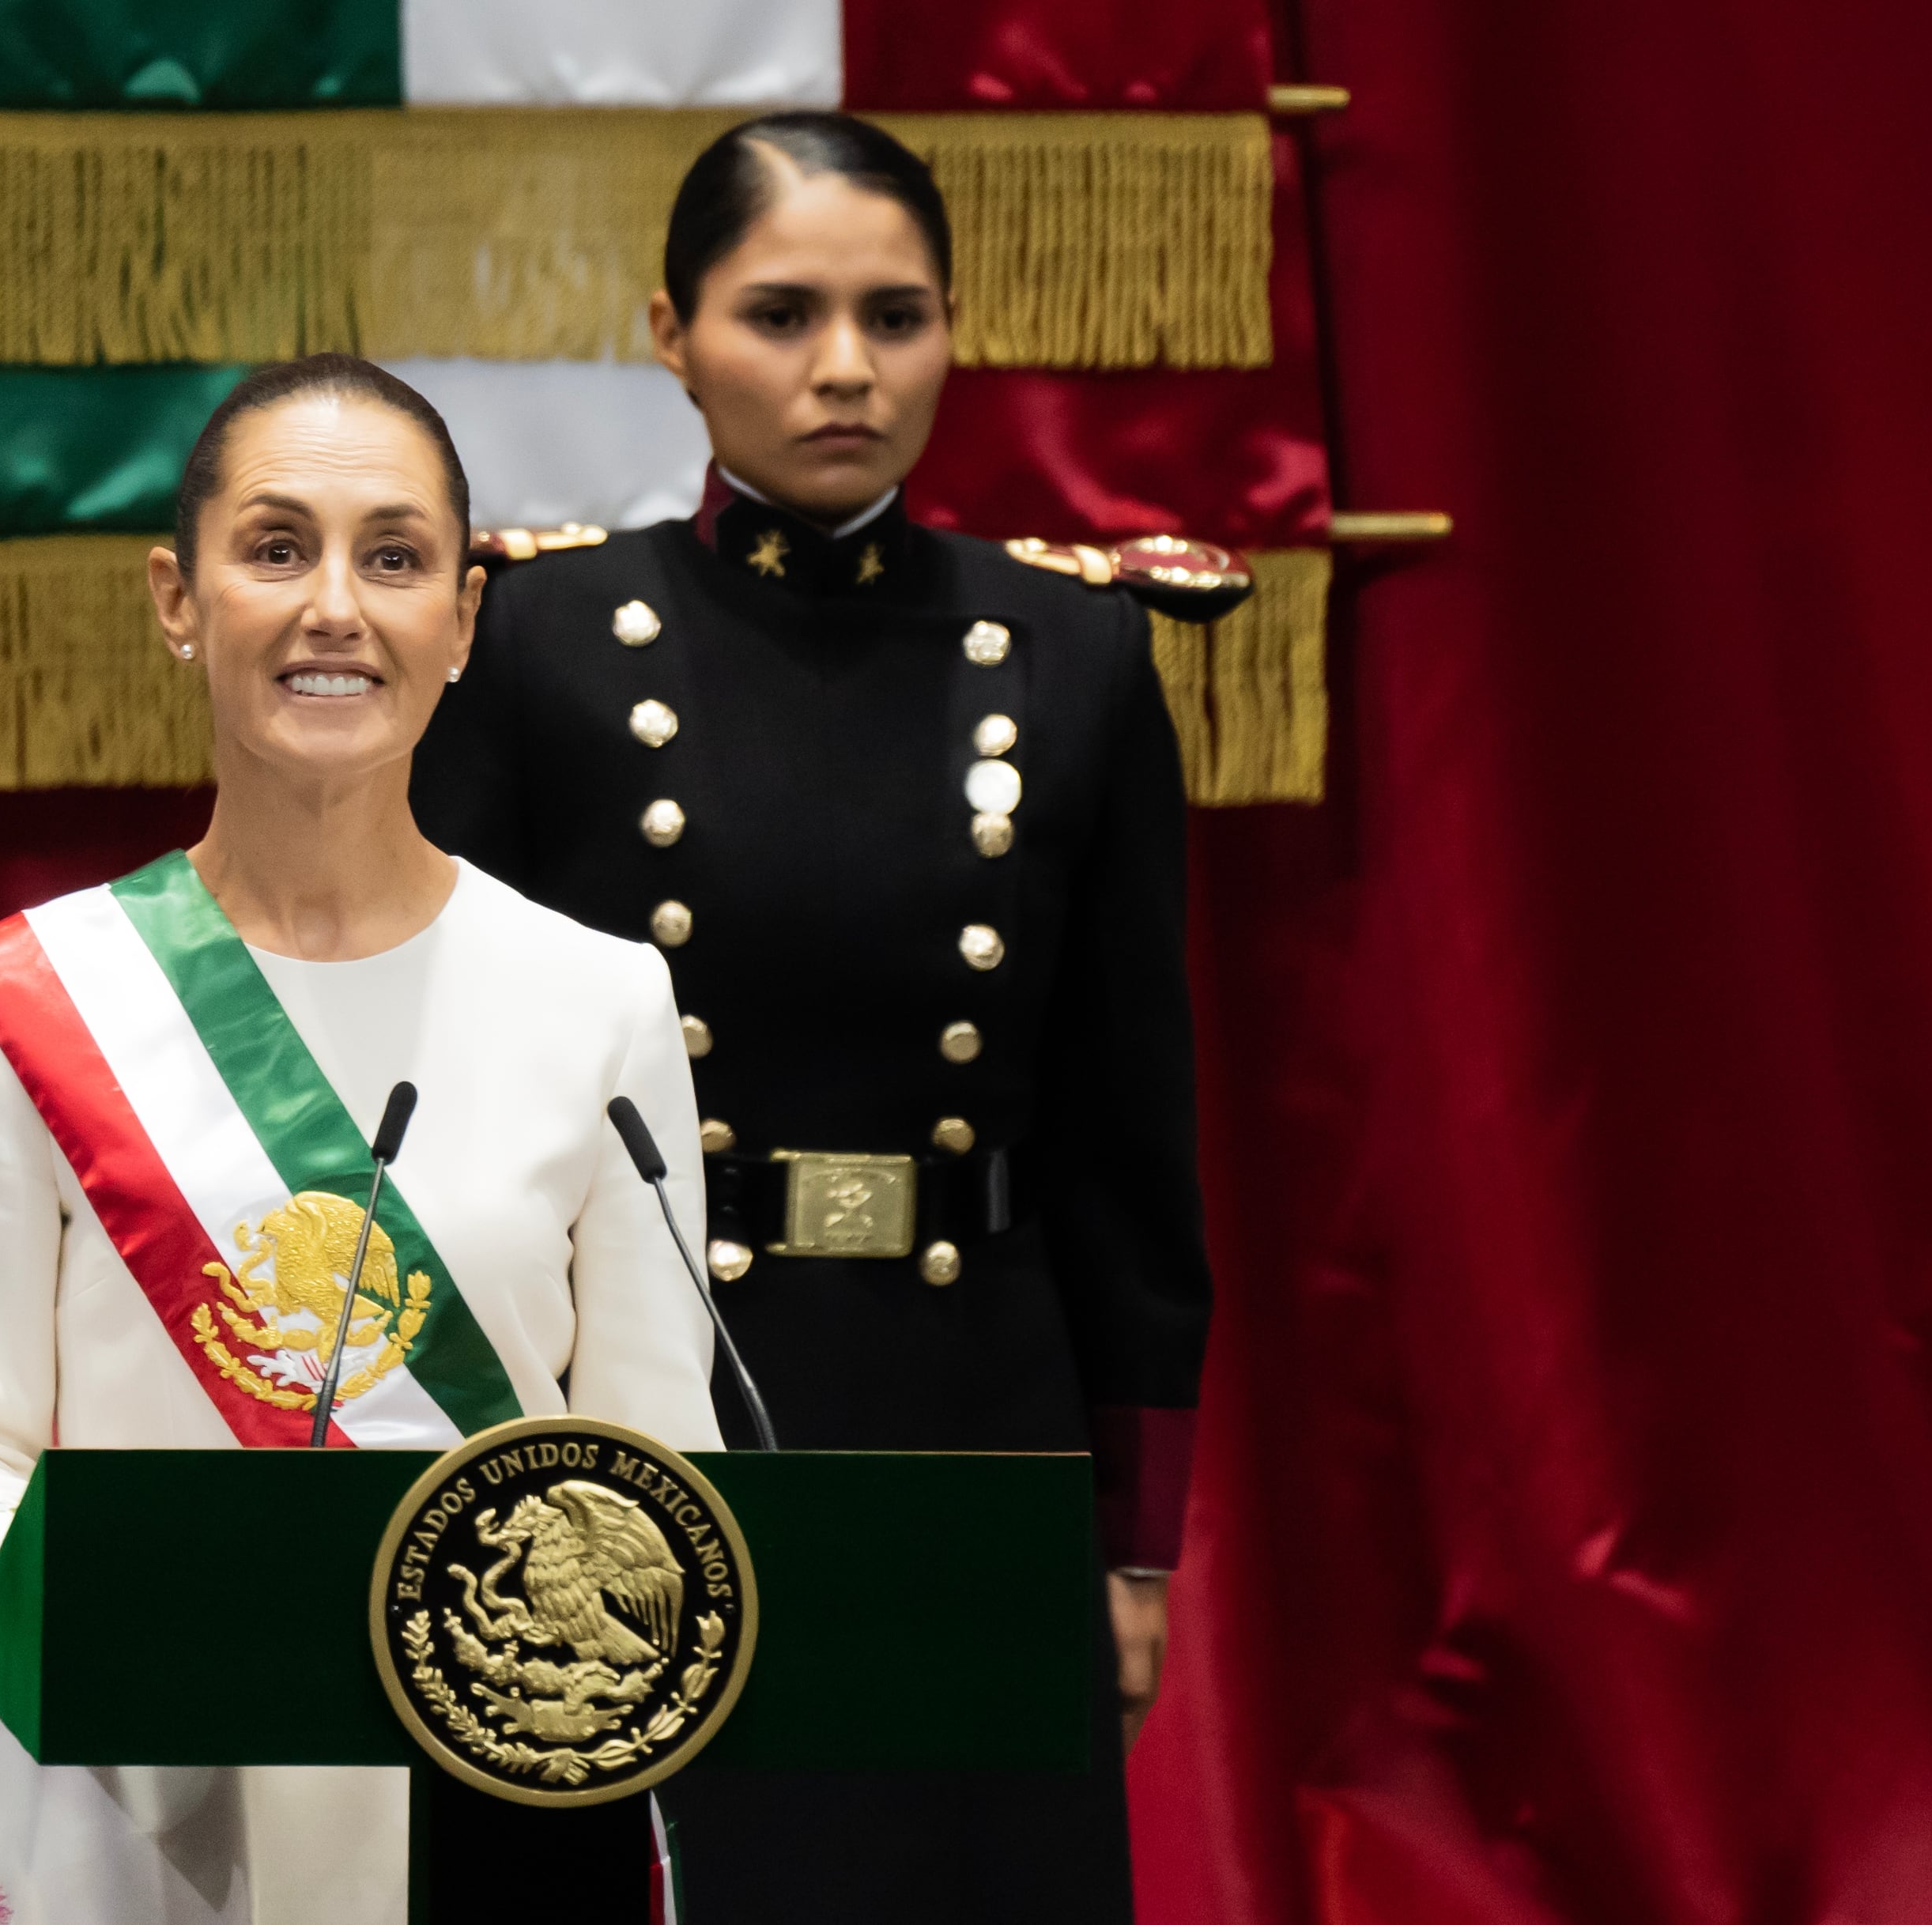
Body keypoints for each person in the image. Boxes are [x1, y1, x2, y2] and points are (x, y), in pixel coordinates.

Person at [409, 115, 1213, 1923]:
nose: (844, 367)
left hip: (974, 1419)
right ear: (666, 332)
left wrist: (1128, 1547)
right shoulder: (541, 643)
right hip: (650, 1417)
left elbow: (1125, 1145)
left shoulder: (1070, 658)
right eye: (778, 313)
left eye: (894, 314)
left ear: (949, 332)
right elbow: (464, 1115)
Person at [0, 353, 725, 1925]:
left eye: (392, 558)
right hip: (127, 1812)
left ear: (462, 619)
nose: (334, 605)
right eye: (274, 549)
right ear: (175, 598)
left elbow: (653, 1470)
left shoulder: (599, 1001)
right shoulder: (26, 999)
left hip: (505, 1816)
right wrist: (109, 1626)